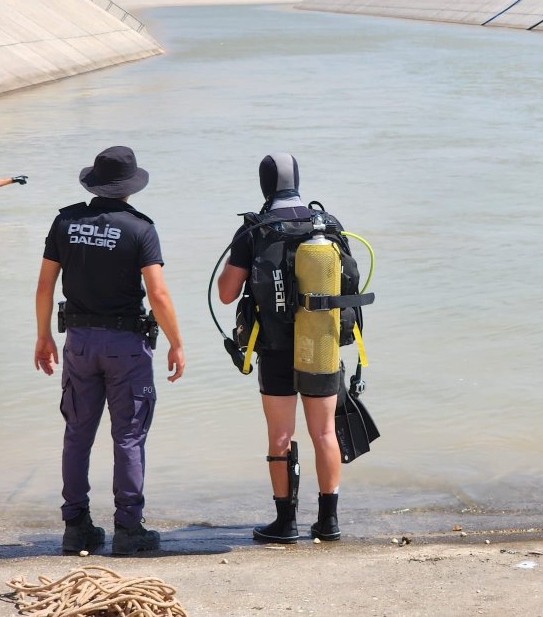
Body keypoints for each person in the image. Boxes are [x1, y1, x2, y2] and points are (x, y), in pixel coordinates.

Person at [34, 146, 185, 556]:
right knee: (129, 436)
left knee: (77, 433)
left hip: (79, 342)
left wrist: (43, 336)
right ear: (130, 187)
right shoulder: (140, 229)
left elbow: (45, 285)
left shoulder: (65, 221)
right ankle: (128, 528)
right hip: (126, 346)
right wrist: (176, 342)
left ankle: (76, 526)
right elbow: (158, 293)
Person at [217, 153, 347, 543]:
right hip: (321, 342)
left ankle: (285, 523)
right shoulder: (328, 224)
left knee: (280, 435)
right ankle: (328, 523)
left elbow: (225, 294)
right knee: (324, 432)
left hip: (273, 347)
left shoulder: (254, 228)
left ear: (264, 185)